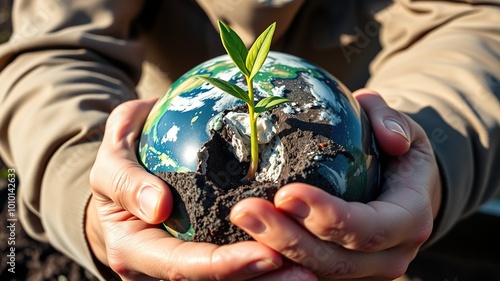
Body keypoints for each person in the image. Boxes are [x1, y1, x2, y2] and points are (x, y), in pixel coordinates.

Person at [0, 0, 498, 280]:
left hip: (370, 124)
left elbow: (476, 21)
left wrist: (435, 157)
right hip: (176, 136)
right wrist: (83, 181)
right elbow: (54, 45)